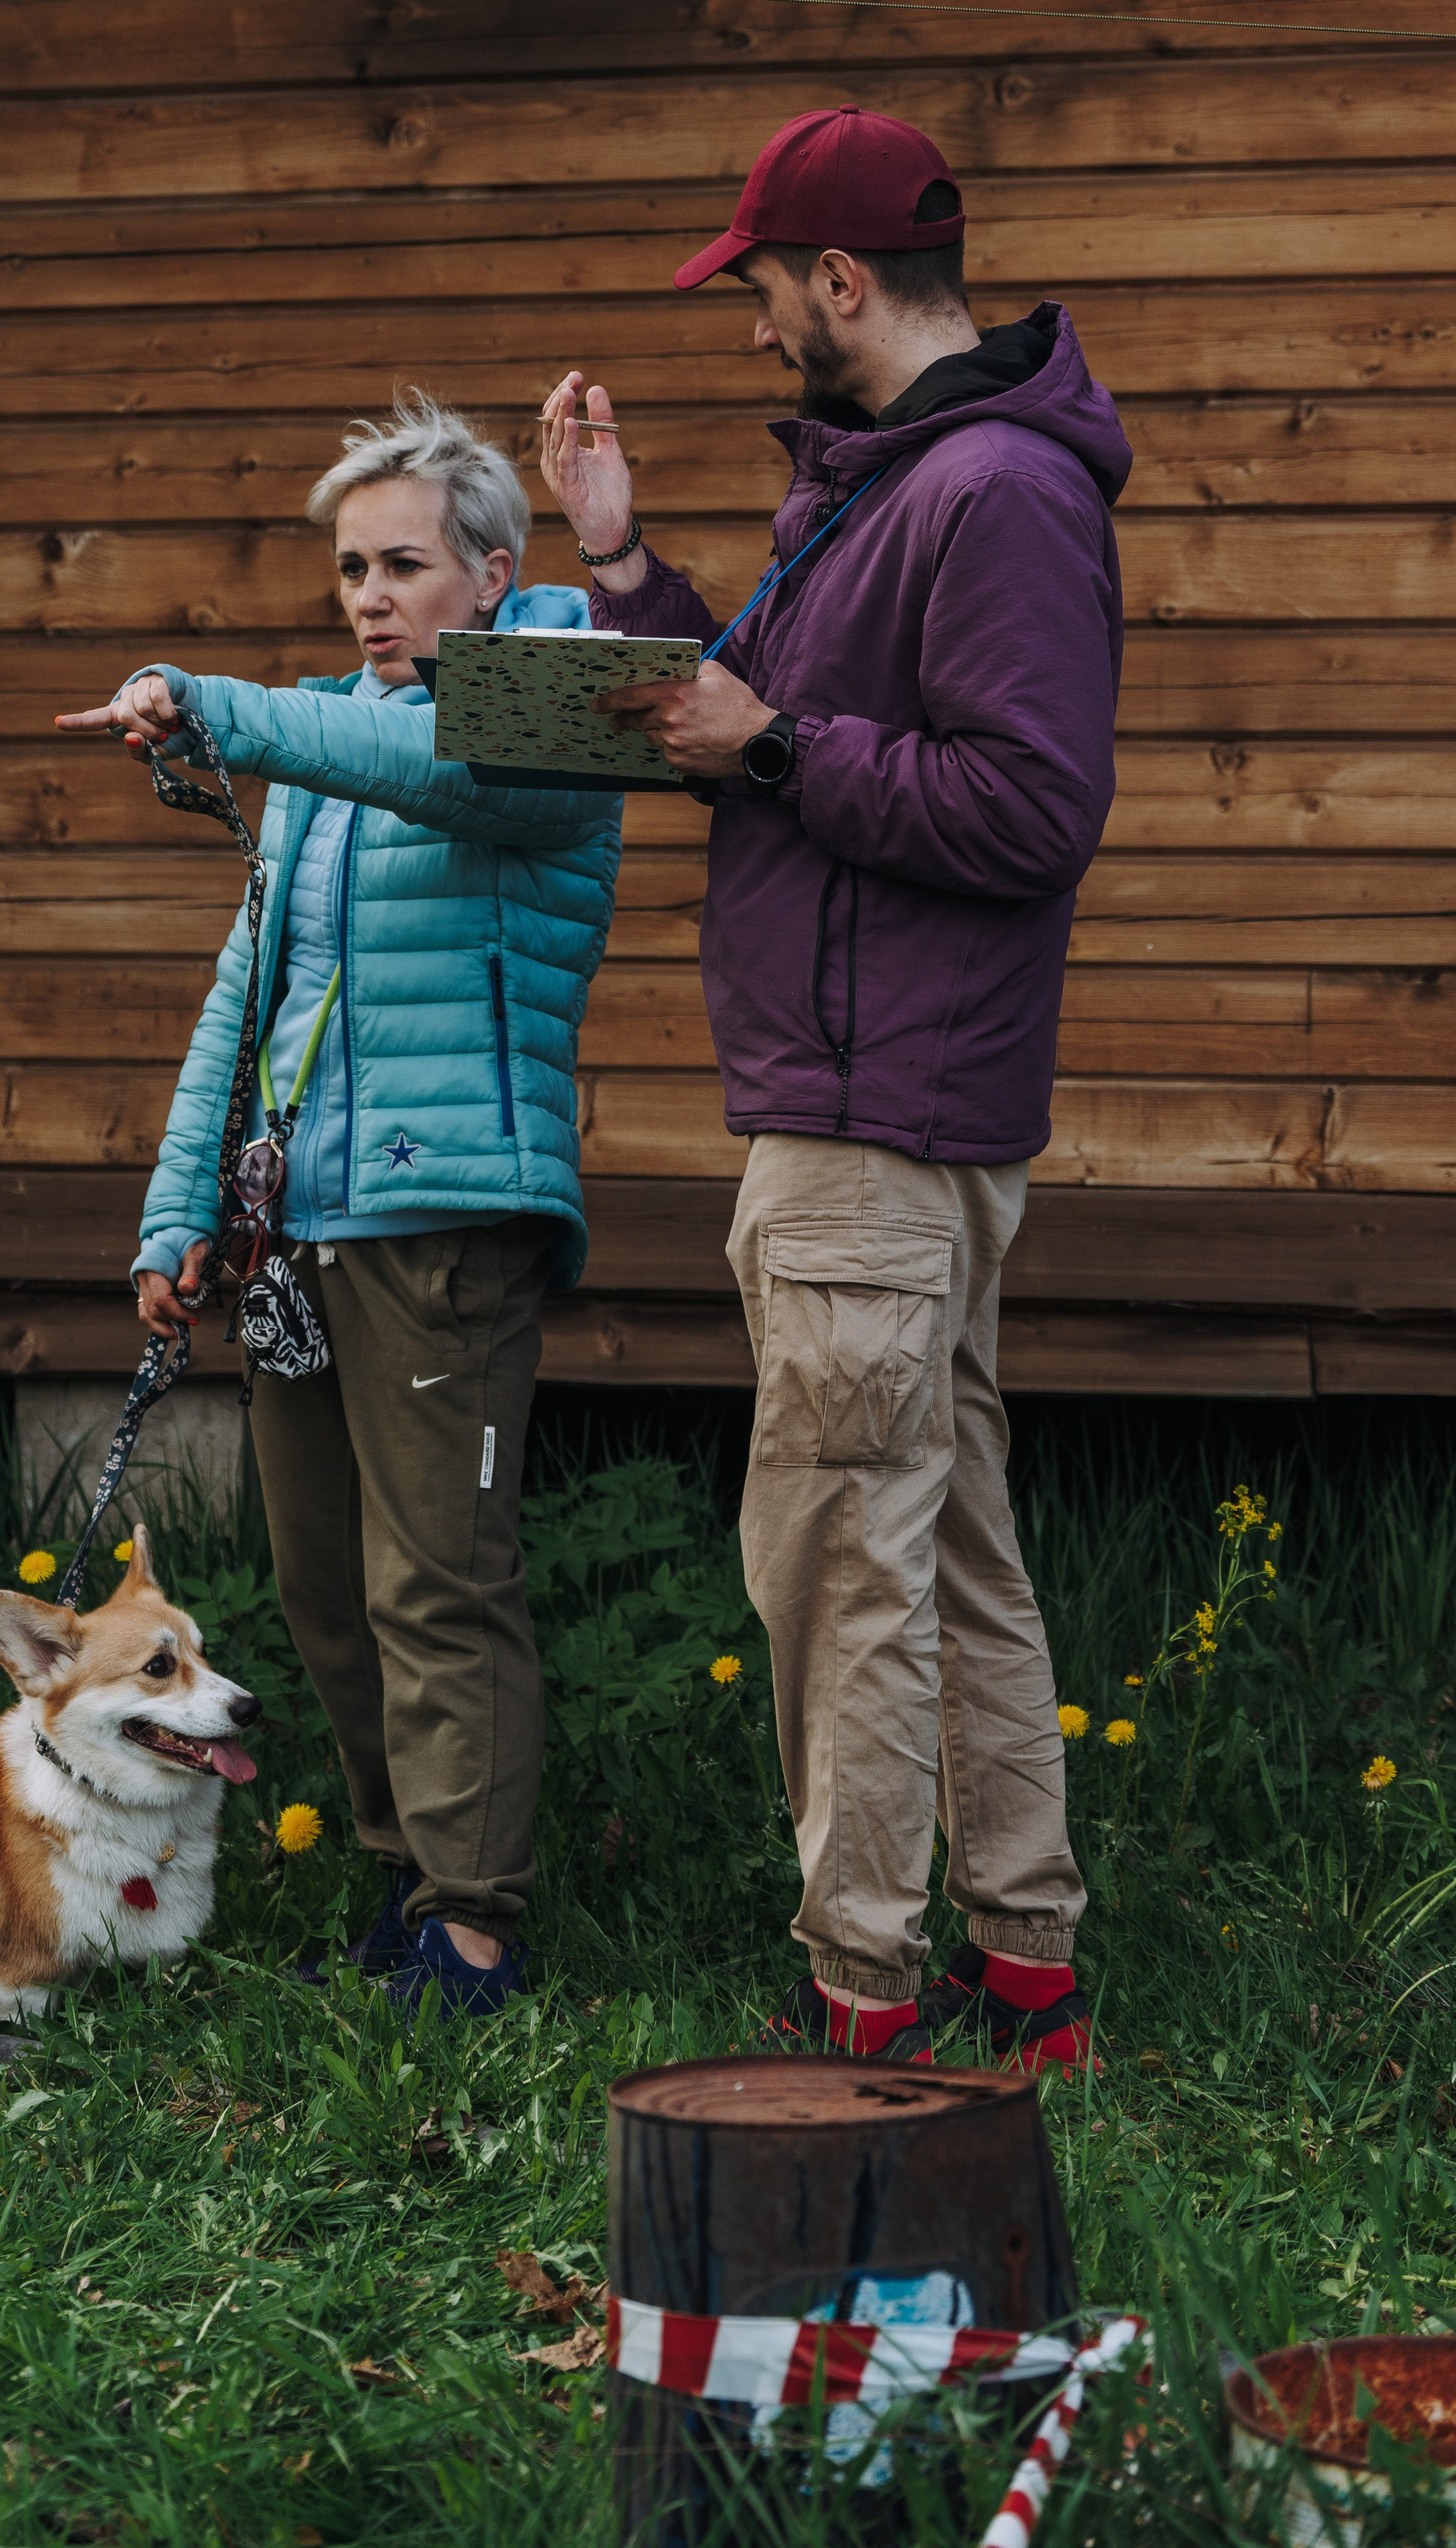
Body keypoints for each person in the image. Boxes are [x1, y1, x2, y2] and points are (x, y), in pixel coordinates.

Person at [538, 105, 1127, 2070]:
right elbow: (731, 710)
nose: (754, 317)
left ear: (846, 282)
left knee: (838, 1567)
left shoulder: (990, 494)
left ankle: (858, 1999)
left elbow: (1030, 806)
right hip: (879, 1103)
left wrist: (778, 748)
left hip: (880, 1116)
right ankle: (1020, 1978)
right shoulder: (884, 484)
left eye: (766, 283)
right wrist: (620, 561)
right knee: (942, 1539)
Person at [56, 393, 622, 2018]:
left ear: (495, 576)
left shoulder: (554, 700)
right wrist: (178, 1216)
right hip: (297, 1228)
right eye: (349, 572)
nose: (369, 597)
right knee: (322, 1580)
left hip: (449, 1215)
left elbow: (422, 754)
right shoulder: (318, 737)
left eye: (401, 565)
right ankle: (401, 1877)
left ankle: (475, 1921)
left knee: (435, 1577)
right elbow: (247, 994)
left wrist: (216, 705)